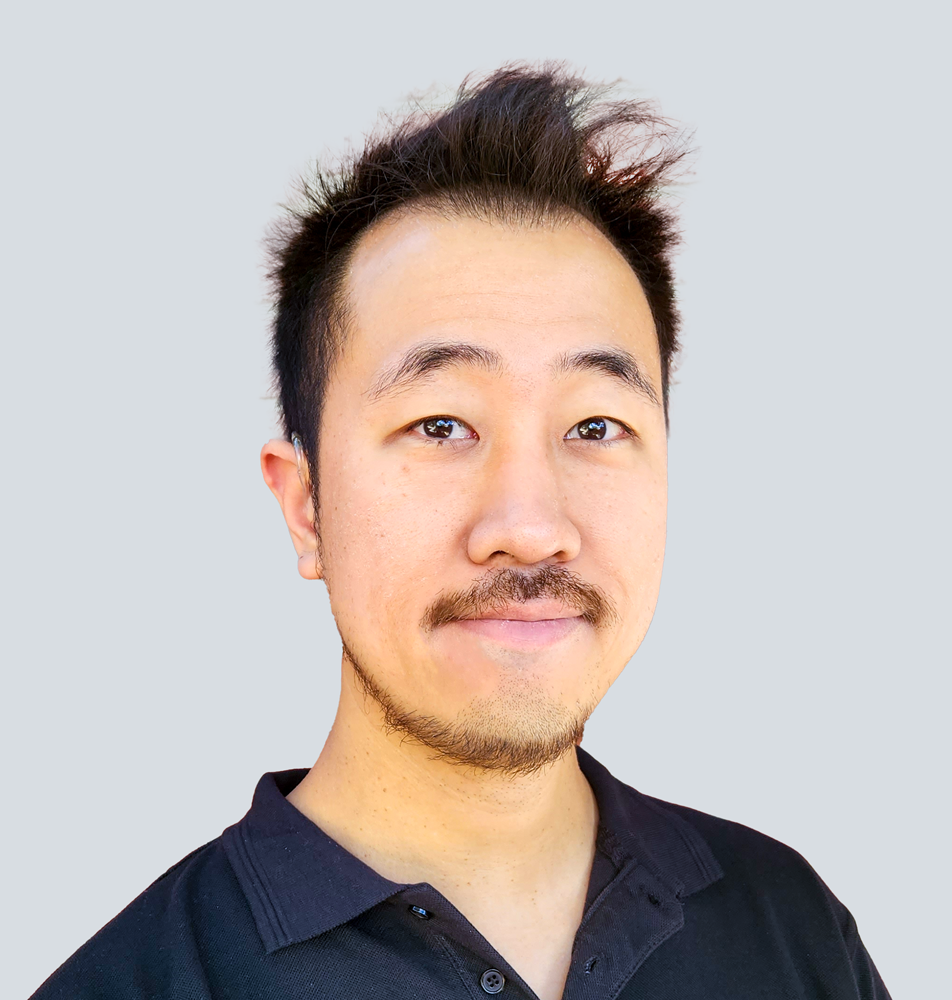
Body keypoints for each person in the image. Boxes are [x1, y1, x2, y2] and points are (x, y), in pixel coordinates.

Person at [30, 64, 891, 1000]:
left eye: (596, 427)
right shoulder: (141, 982)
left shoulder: (791, 928)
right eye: (440, 426)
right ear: (305, 506)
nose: (529, 528)